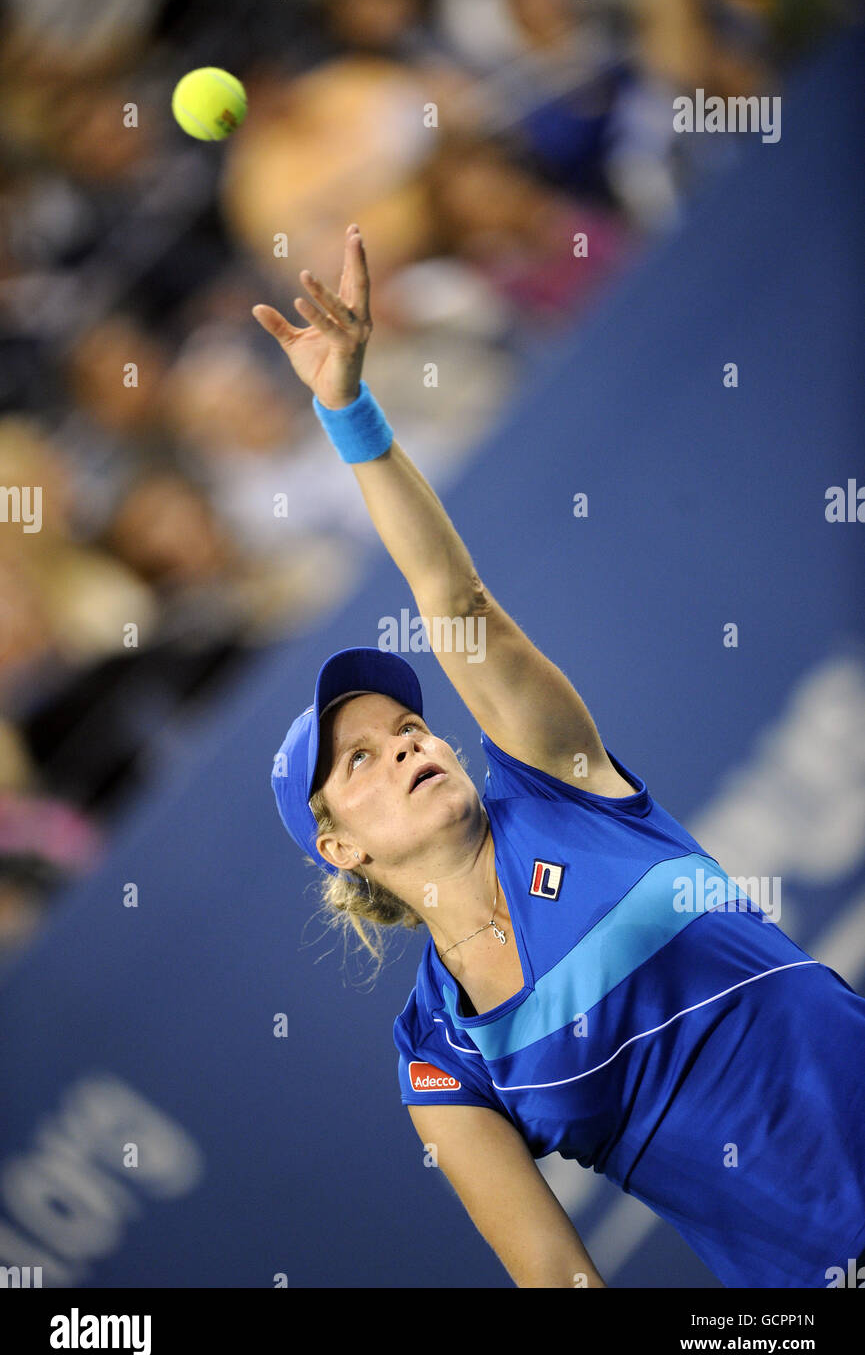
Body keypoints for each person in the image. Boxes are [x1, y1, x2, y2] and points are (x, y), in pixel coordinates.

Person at [257, 225, 865, 1290]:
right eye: (357, 762)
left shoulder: (560, 786)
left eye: (404, 728)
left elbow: (456, 600)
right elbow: (557, 1277)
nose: (402, 746)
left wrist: (346, 412)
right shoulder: (439, 1058)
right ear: (336, 845)